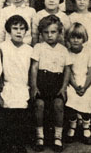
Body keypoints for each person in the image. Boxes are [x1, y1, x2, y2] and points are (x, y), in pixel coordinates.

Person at [30, 15, 72, 152]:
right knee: (39, 105)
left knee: (58, 105)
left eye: (53, 32)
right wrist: (34, 86)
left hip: (57, 82)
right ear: (41, 34)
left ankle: (58, 137)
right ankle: (39, 137)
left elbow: (67, 69)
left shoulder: (63, 49)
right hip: (42, 81)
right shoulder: (38, 47)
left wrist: (64, 88)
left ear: (59, 33)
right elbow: (34, 68)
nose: (49, 35)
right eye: (46, 32)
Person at [0, 15, 33, 153]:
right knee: (8, 112)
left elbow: (31, 71)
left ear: (25, 31)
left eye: (22, 29)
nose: (18, 32)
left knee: (21, 113)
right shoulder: (2, 47)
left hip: (23, 86)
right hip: (8, 84)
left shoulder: (29, 49)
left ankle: (20, 143)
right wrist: (1, 81)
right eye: (15, 28)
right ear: (9, 31)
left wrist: (32, 86)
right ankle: (9, 143)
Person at [64, 23, 91, 145]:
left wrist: (84, 87)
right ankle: (72, 126)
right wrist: (75, 87)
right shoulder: (67, 53)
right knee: (70, 95)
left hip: (86, 83)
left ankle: (86, 127)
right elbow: (68, 73)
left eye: (78, 37)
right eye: (72, 37)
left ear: (83, 38)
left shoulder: (89, 52)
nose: (75, 40)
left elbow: (90, 73)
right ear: (68, 38)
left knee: (88, 96)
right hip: (73, 82)